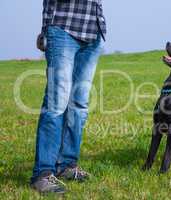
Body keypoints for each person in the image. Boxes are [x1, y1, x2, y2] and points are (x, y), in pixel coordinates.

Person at [31, 0, 106, 194]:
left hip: (93, 30)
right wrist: (46, 29)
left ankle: (67, 165)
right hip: (64, 26)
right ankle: (42, 173)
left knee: (79, 105)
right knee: (57, 104)